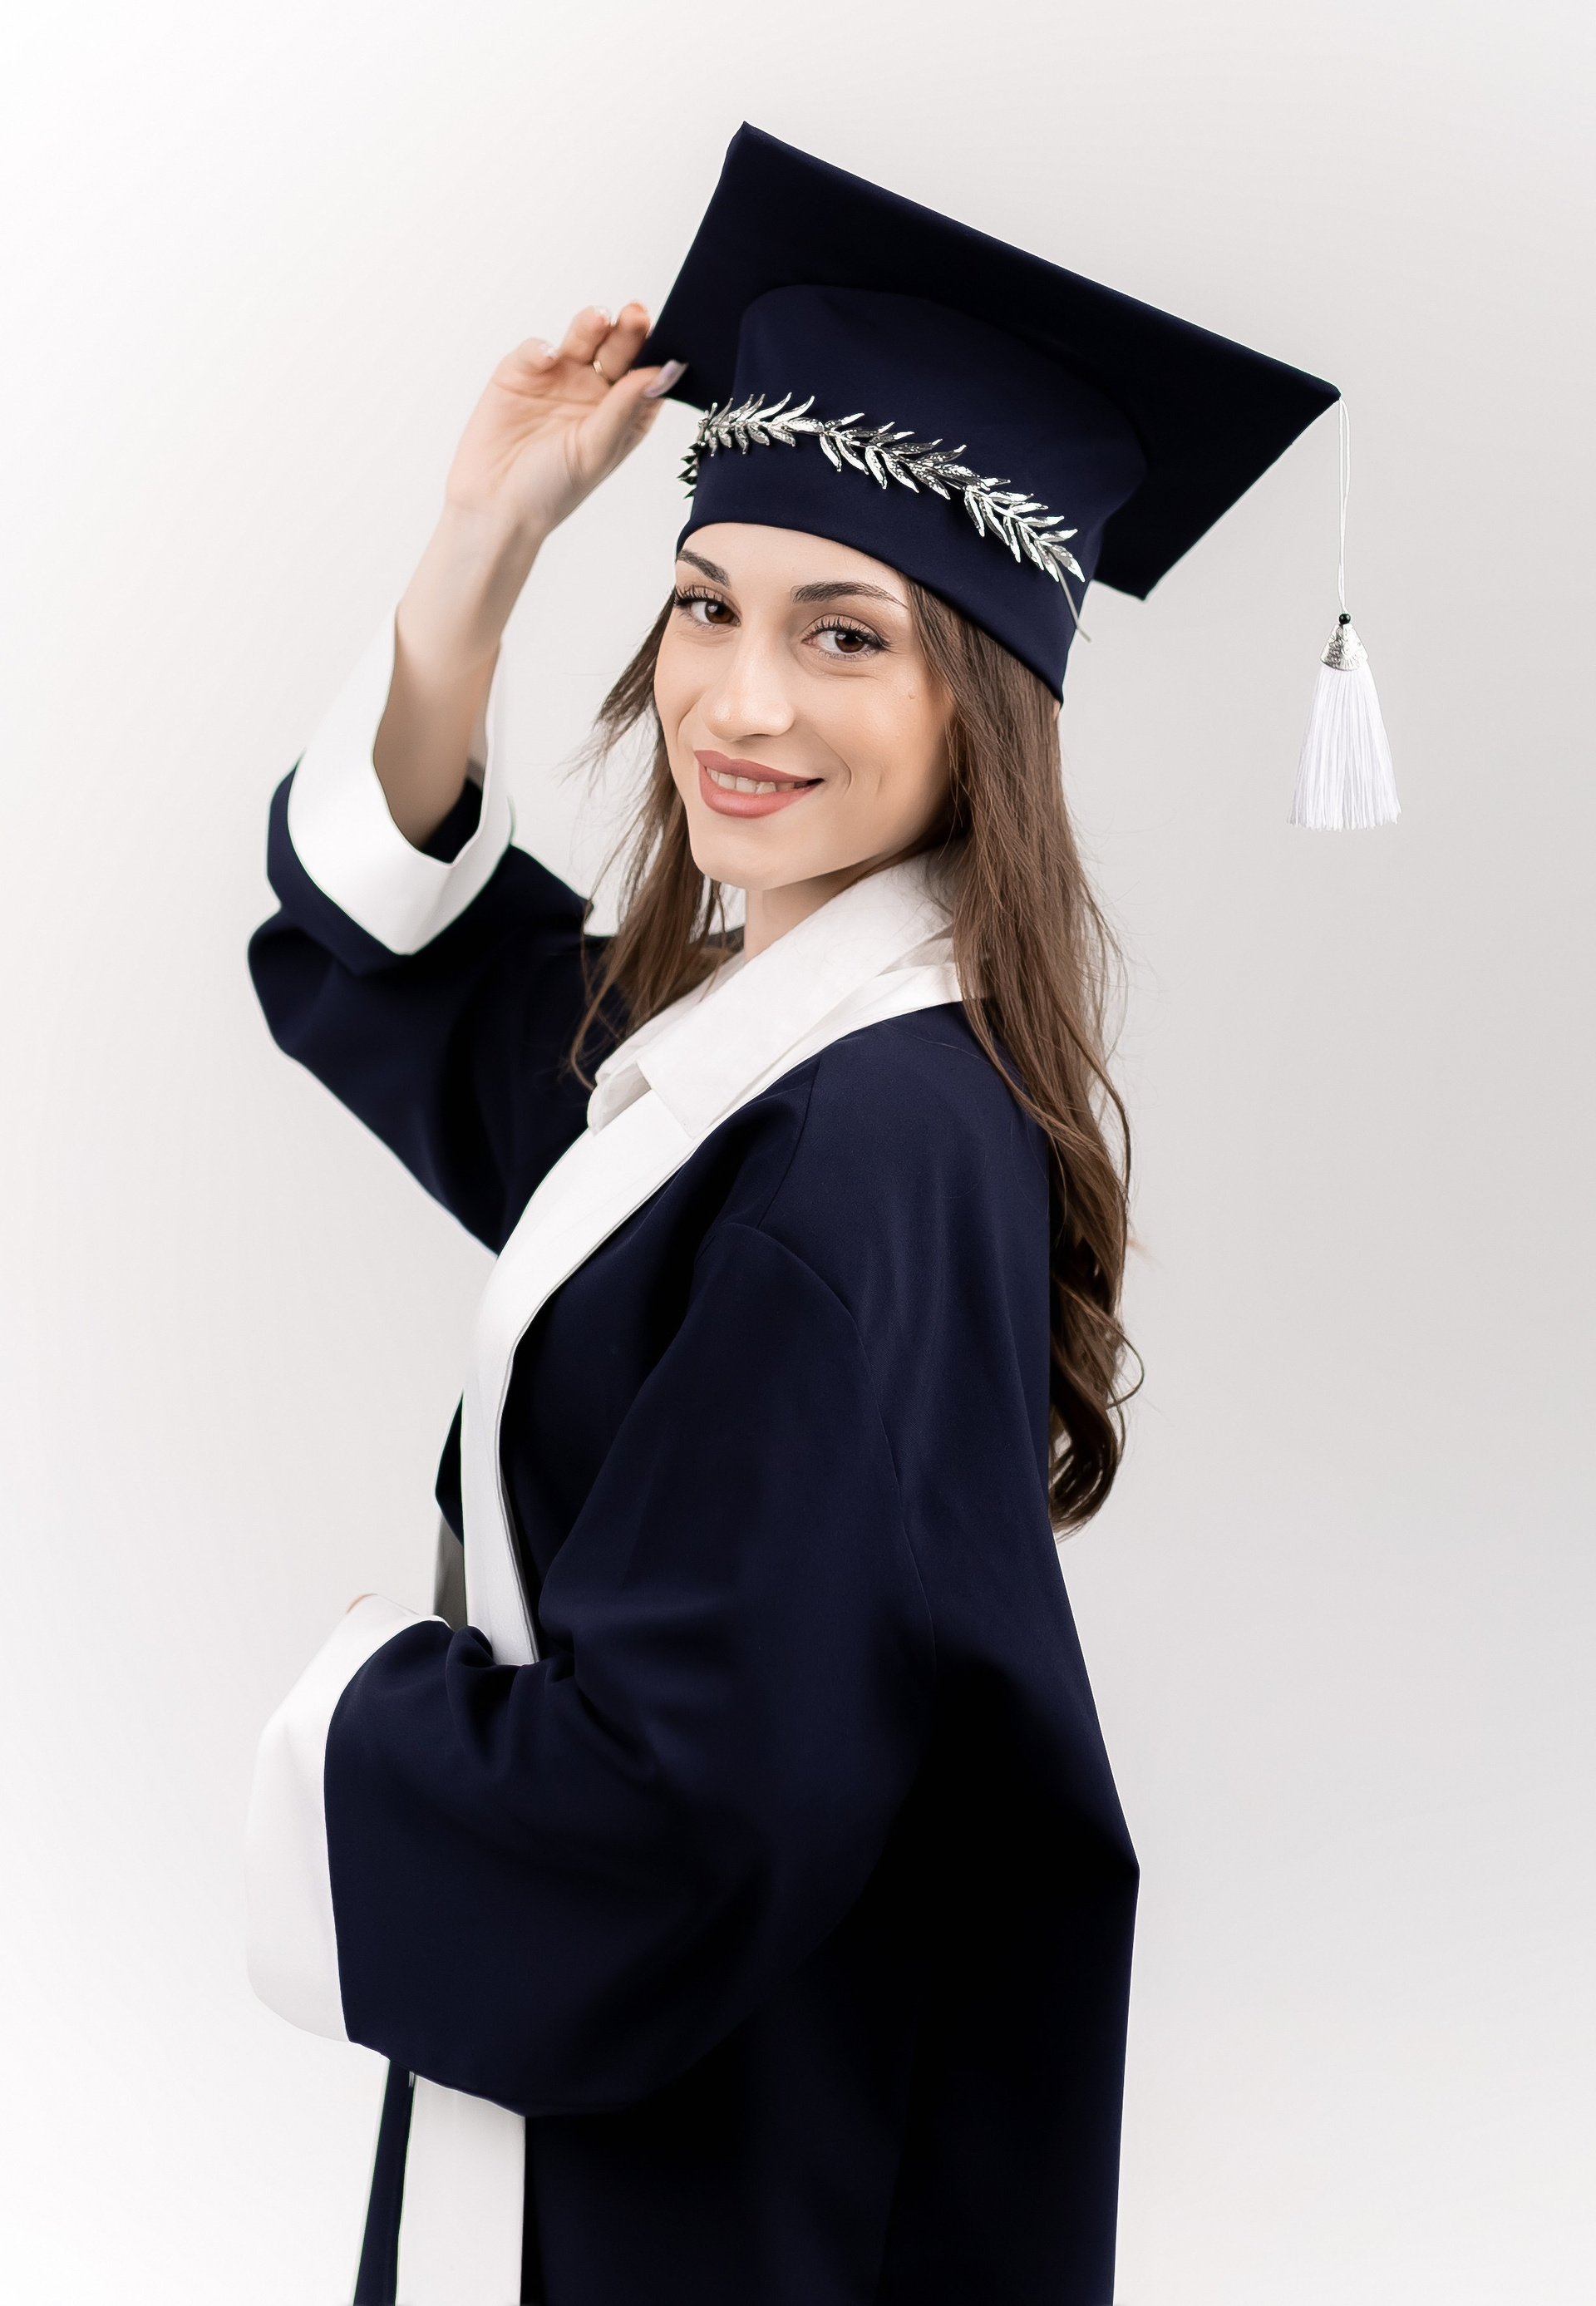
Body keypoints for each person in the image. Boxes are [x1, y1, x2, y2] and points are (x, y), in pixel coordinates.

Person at [244, 126, 1336, 2306]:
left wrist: (339, 1713)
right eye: (704, 606)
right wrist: (483, 543)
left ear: (980, 700)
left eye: (846, 634)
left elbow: (670, 1813)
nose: (740, 705)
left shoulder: (857, 1152)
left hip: (729, 2146)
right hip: (746, 2072)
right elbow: (404, 964)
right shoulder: (782, 1046)